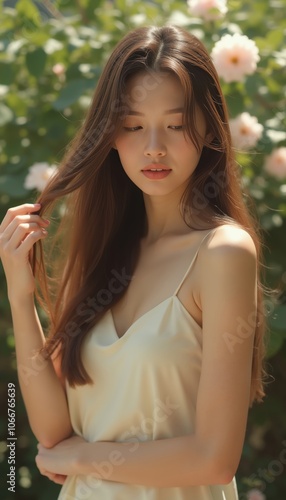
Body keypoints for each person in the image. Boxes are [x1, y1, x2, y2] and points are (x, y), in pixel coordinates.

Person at [0, 25, 266, 499]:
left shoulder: (223, 252)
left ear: (208, 128)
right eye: (133, 125)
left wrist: (82, 458)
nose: (154, 147)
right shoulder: (104, 251)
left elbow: (214, 457)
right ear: (110, 134)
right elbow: (53, 433)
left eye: (177, 124)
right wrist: (21, 296)